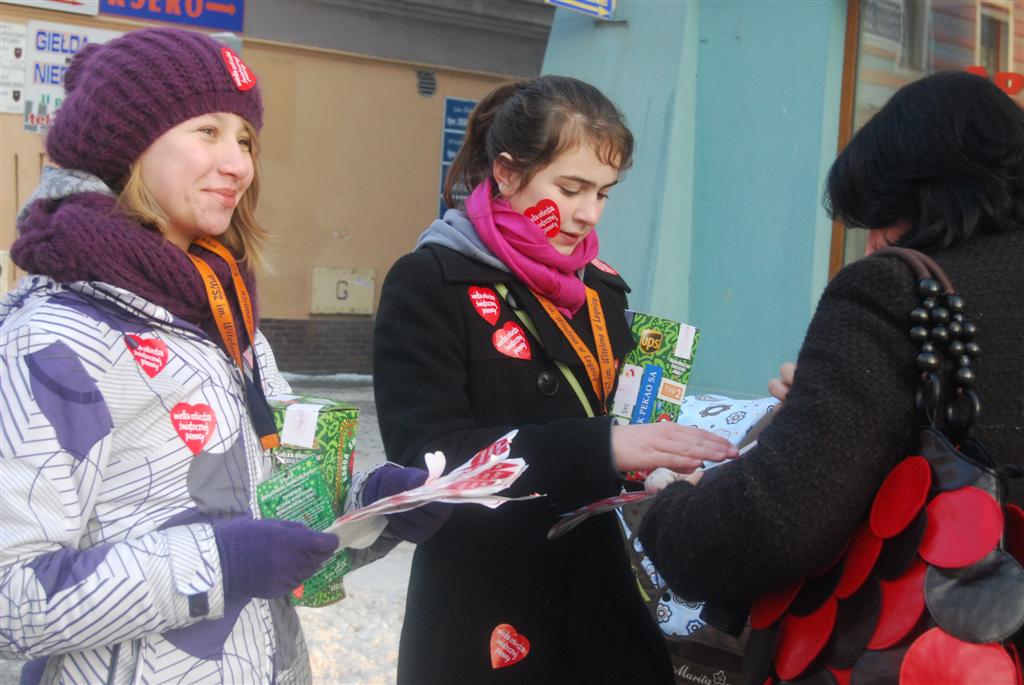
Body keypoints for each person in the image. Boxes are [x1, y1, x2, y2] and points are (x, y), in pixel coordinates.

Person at [0, 28, 445, 685]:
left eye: (245, 139)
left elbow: (263, 522)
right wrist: (220, 562)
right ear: (125, 146)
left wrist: (370, 514)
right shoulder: (56, 341)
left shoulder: (223, 315)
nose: (239, 164)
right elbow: (14, 599)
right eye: (207, 131)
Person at [373, 75, 738, 684]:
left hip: (599, 602)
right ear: (509, 173)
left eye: (603, 193)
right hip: (487, 608)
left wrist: (663, 455)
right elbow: (425, 460)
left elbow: (614, 411)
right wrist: (603, 444)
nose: (587, 214)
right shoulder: (430, 281)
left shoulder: (600, 285)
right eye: (570, 189)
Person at [638, 71, 1024, 611]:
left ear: (916, 198)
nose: (870, 248)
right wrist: (840, 409)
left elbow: (772, 526)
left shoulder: (895, 288)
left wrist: (666, 508)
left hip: (943, 643)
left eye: (878, 219)